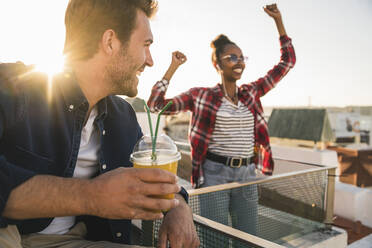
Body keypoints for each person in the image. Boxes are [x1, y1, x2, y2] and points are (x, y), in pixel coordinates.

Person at [0, 0, 199, 248]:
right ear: (110, 42)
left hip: (76, 239)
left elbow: (149, 172)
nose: (150, 61)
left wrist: (179, 207)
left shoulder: (123, 116)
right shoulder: (11, 86)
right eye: (146, 45)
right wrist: (92, 195)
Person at [147, 3, 296, 237]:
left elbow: (287, 62)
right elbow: (156, 105)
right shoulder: (201, 96)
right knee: (214, 237)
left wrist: (278, 22)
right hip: (214, 174)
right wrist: (173, 67)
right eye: (232, 57)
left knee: (248, 238)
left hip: (247, 173)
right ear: (217, 64)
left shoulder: (252, 92)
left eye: (241, 57)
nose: (239, 62)